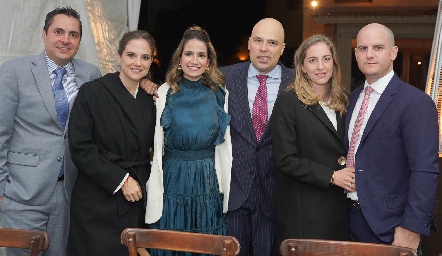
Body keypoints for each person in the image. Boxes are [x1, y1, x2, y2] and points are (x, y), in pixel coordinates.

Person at [0, 6, 100, 256]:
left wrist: (147, 84)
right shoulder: (14, 71)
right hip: (22, 194)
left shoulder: (90, 74)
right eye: (58, 32)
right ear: (44, 34)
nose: (66, 40)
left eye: (73, 34)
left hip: (68, 195)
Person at [345, 23, 439, 252]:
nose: (369, 54)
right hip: (348, 221)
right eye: (363, 48)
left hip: (391, 227)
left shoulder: (415, 102)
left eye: (378, 47)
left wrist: (411, 229)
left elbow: (425, 171)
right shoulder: (353, 98)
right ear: (356, 54)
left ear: (393, 52)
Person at [144, 26, 232, 256]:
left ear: (208, 61)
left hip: (207, 183)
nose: (194, 60)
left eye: (201, 55)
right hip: (172, 183)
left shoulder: (220, 93)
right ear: (179, 59)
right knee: (171, 243)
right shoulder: (164, 93)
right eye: (189, 54)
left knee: (205, 246)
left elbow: (225, 148)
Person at [67, 30, 156, 256]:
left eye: (145, 57)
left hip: (137, 199)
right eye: (131, 55)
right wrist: (121, 180)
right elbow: (81, 148)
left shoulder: (152, 98)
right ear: (118, 57)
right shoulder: (92, 92)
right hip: (97, 200)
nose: (137, 63)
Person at [271, 35, 354, 252]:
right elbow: (285, 160)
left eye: (326, 59)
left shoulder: (344, 98)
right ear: (302, 66)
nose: (321, 66)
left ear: (334, 63)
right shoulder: (288, 101)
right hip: (306, 213)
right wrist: (332, 176)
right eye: (313, 60)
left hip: (339, 209)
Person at [219, 18, 294, 256]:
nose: (264, 48)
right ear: (249, 43)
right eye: (259, 41)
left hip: (276, 197)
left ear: (282, 49)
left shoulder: (298, 83)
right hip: (234, 196)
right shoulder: (223, 78)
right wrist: (149, 86)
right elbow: (184, 86)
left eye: (272, 43)